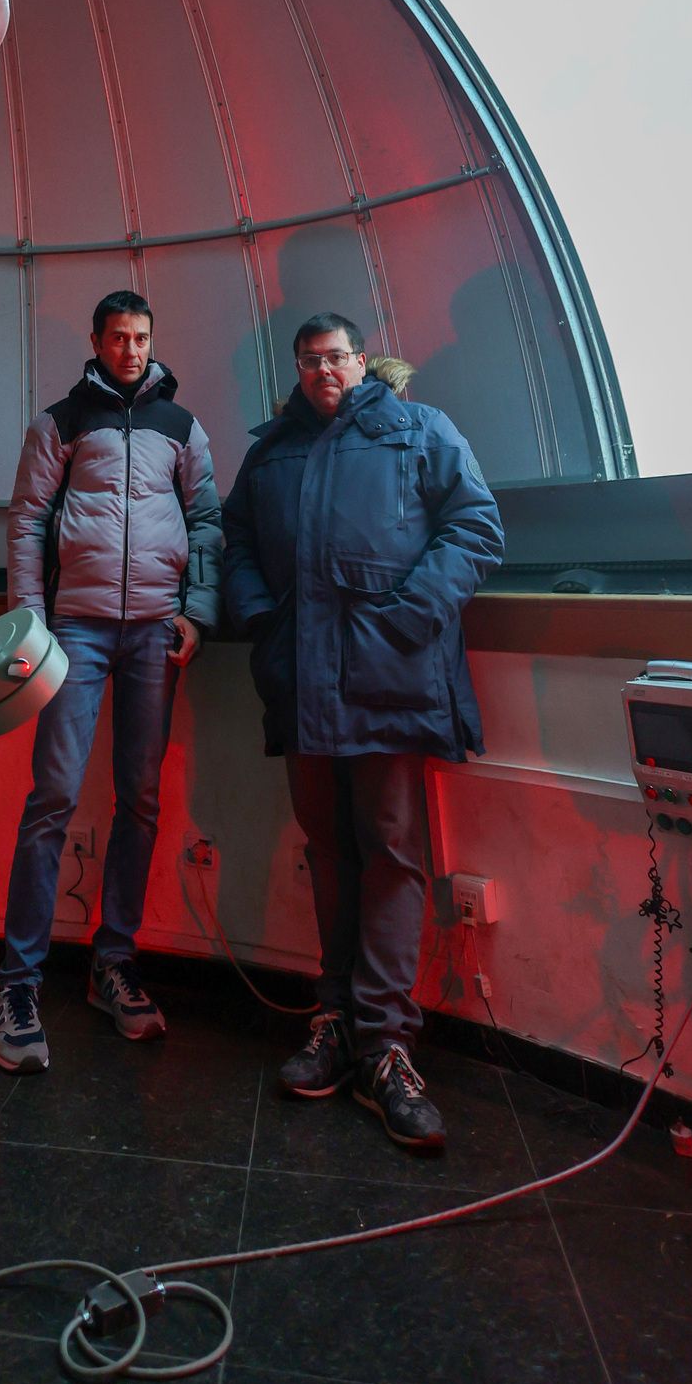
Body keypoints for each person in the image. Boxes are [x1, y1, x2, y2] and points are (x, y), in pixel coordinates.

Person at [221, 313, 502, 1149]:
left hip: (388, 683)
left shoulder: (420, 430)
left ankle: (386, 1046)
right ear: (298, 370)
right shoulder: (272, 451)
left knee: (389, 853)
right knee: (331, 853)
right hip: (305, 686)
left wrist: (412, 615)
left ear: (363, 361)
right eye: (309, 361)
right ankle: (336, 1023)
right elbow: (235, 540)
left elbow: (476, 525)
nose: (322, 371)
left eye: (335, 357)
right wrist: (260, 618)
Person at [0, 291, 222, 1073]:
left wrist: (196, 613)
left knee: (142, 800)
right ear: (95, 341)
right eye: (118, 337)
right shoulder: (61, 421)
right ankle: (17, 986)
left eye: (142, 338)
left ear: (153, 343)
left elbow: (209, 522)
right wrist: (31, 622)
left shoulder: (181, 428)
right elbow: (26, 520)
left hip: (156, 633)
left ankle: (113, 963)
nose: (131, 349)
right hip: (77, 633)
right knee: (52, 799)